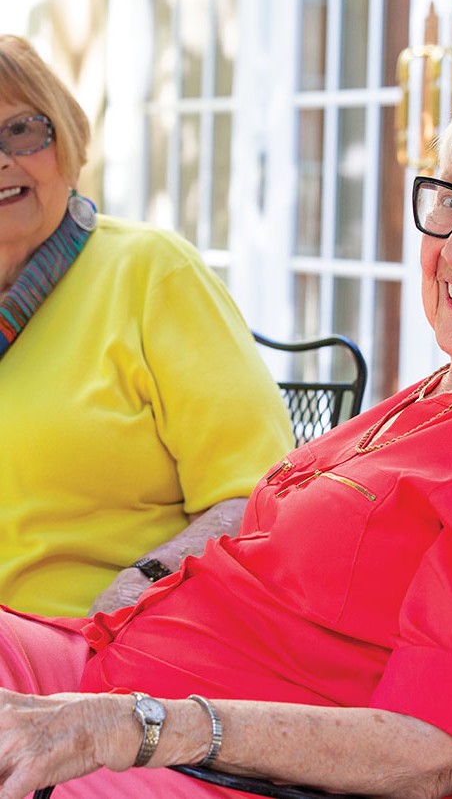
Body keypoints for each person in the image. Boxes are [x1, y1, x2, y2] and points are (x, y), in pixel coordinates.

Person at [0, 76, 452, 799]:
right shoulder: (446, 391)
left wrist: (133, 727)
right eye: (449, 203)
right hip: (111, 668)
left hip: (208, 761)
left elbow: (436, 752)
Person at [0, 34, 294, 618]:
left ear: (69, 139)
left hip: (95, 646)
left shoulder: (152, 271)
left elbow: (259, 494)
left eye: (22, 130)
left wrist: (139, 588)